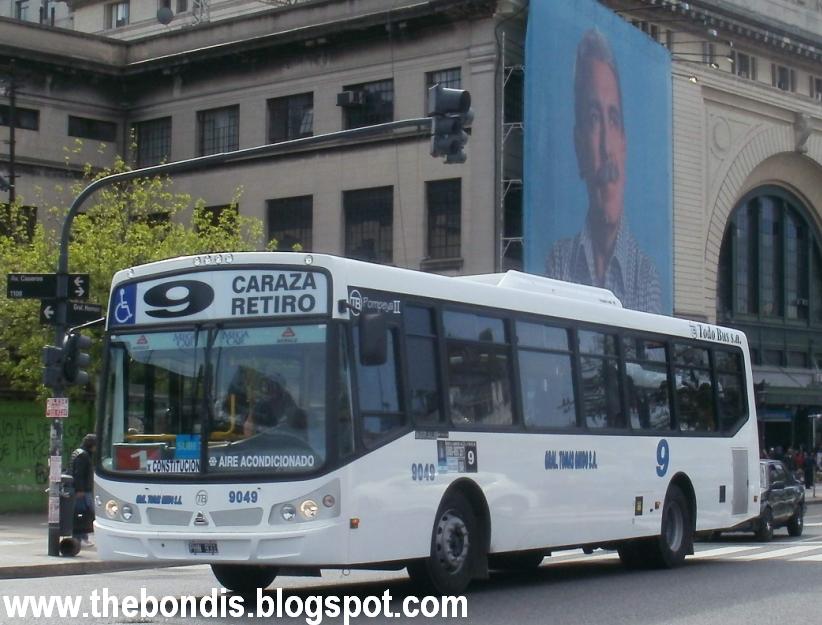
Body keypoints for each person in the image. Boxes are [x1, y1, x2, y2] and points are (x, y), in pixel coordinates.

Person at [545, 29, 662, 314]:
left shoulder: (645, 275)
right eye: (594, 119)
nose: (606, 147)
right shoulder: (559, 260)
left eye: (614, 119)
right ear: (578, 144)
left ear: (624, 142)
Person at [71, 433, 96, 546]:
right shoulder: (83, 455)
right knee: (82, 514)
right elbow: (79, 474)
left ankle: (82, 536)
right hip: (83, 490)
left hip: (83, 489)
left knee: (82, 513)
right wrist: (80, 489)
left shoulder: (79, 452)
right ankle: (80, 537)